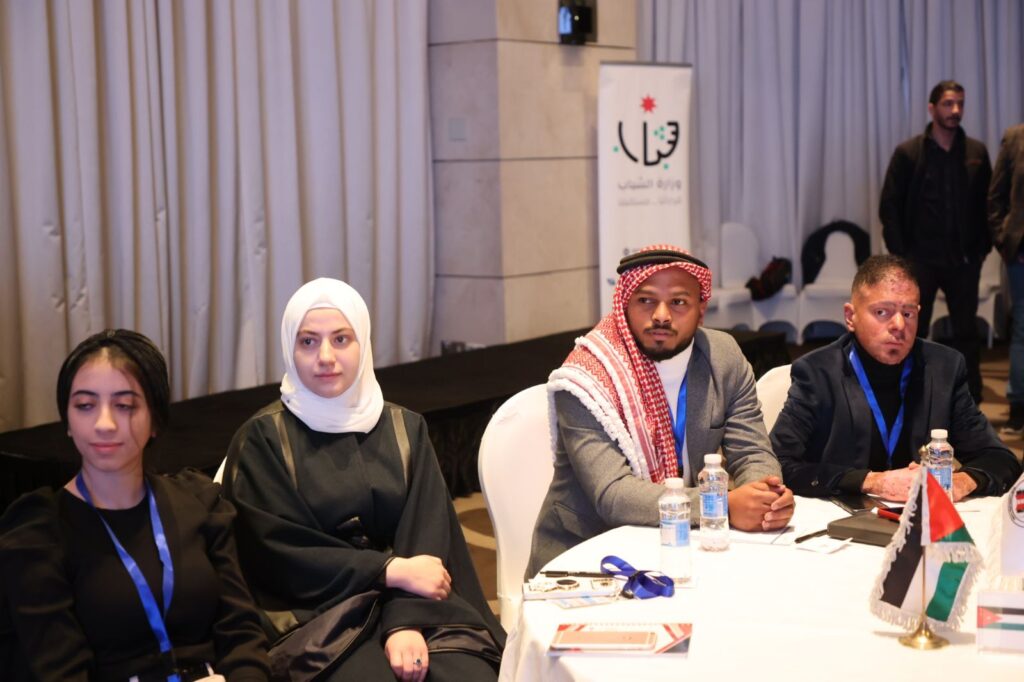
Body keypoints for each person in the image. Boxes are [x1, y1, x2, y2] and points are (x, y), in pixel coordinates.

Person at [223, 278, 504, 682]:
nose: (325, 357)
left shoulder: (405, 428)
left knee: (467, 675)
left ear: (363, 343)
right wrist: (386, 569)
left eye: (341, 339)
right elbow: (278, 553)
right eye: (308, 342)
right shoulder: (262, 440)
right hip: (315, 616)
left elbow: (427, 532)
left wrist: (405, 620)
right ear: (288, 348)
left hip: (416, 601)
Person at [0, 330, 270, 682]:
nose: (104, 424)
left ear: (155, 419)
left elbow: (242, 636)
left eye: (124, 405)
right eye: (85, 406)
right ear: (67, 421)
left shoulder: (199, 503)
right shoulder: (38, 534)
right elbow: (61, 673)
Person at [525, 245, 794, 577]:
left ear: (701, 310)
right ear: (625, 305)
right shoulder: (587, 380)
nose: (662, 315)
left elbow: (753, 452)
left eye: (679, 302)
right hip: (586, 558)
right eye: (646, 300)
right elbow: (614, 495)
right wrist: (721, 505)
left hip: (686, 544)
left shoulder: (722, 357)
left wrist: (763, 498)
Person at [771, 255, 1022, 502]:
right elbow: (776, 464)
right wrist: (871, 481)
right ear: (850, 317)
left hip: (918, 519)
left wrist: (962, 481)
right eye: (882, 312)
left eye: (908, 313)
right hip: (838, 518)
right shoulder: (817, 373)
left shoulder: (944, 368)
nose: (899, 325)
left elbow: (1001, 460)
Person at [879, 79, 992, 404]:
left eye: (960, 104)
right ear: (932, 109)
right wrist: (902, 257)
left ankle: (970, 398)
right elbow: (889, 206)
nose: (955, 110)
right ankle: (911, 393)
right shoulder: (909, 153)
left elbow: (988, 204)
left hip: (963, 260)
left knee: (966, 332)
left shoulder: (975, 152)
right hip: (920, 261)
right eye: (948, 104)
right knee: (913, 328)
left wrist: (981, 249)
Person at [989, 123, 1024, 433]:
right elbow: (996, 196)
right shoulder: (1015, 138)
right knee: (1022, 329)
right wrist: (1007, 242)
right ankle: (1018, 408)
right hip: (1021, 257)